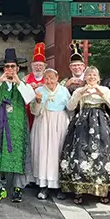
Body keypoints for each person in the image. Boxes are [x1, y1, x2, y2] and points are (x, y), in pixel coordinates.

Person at [59, 66, 110, 205]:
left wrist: (102, 94)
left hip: (101, 123)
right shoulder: (79, 90)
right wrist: (79, 94)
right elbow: (70, 107)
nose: (91, 77)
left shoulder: (104, 89)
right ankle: (79, 189)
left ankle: (102, 190)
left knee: (102, 154)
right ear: (85, 78)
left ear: (98, 78)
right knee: (80, 153)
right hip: (82, 124)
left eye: (94, 75)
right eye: (89, 75)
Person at [0, 48, 35, 203]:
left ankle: (18, 188)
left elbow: (29, 98)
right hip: (1, 125)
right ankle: (1, 187)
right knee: (0, 154)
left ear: (18, 69)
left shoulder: (23, 84)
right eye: (7, 67)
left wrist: (17, 81)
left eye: (13, 67)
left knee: (19, 154)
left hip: (18, 127)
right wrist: (1, 79)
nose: (10, 69)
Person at [29, 68, 70, 200]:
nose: (49, 80)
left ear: (57, 77)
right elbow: (34, 111)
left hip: (60, 123)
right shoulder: (39, 91)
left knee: (58, 152)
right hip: (43, 123)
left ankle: (59, 186)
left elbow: (70, 109)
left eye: (52, 77)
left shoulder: (64, 91)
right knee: (44, 152)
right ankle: (43, 185)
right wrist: (38, 102)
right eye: (46, 78)